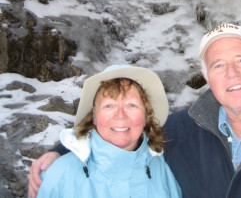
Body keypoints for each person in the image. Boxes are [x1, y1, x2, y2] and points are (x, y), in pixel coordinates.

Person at [29, 23, 241, 198]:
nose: (232, 74)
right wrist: (61, 151)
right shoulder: (181, 131)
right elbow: (123, 134)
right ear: (207, 78)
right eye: (218, 65)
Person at [34, 64, 181, 198]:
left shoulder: (162, 171)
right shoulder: (59, 174)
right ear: (94, 117)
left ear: (145, 117)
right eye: (109, 106)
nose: (120, 115)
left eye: (131, 105)